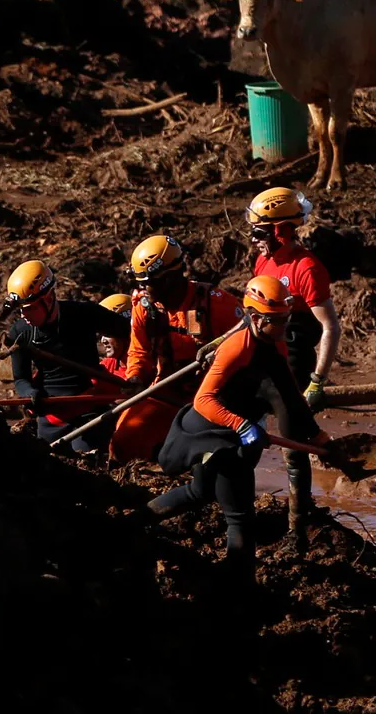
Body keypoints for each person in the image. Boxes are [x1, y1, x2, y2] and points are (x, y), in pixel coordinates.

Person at [148, 277, 326, 584]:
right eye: (278, 320)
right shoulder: (237, 346)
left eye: (287, 318)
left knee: (199, 491)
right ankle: (239, 588)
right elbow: (203, 400)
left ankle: (137, 520)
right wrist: (241, 425)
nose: (285, 326)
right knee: (240, 517)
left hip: (232, 430)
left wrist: (322, 439)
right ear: (256, 319)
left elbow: (290, 396)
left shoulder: (275, 342)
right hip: (211, 431)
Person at [245, 186, 342, 541]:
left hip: (293, 368)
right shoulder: (263, 262)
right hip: (262, 360)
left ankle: (298, 525)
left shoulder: (307, 268)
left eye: (258, 232)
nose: (253, 240)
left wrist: (317, 380)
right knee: (239, 429)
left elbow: (330, 326)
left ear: (281, 230)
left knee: (291, 444)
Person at [109, 235, 244, 463]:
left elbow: (246, 346)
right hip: (166, 390)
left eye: (149, 282)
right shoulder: (145, 308)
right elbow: (139, 352)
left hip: (213, 395)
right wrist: (135, 378)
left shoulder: (216, 304)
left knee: (208, 458)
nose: (143, 288)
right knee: (123, 440)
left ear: (170, 278)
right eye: (140, 282)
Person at [3, 262, 130, 454]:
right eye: (20, 309)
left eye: (29, 308)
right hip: (52, 419)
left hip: (91, 411)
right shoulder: (20, 332)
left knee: (87, 458)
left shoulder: (83, 314)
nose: (24, 315)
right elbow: (21, 378)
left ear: (48, 298)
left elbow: (129, 330)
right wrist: (29, 393)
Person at [98, 294, 132, 377]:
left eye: (107, 334)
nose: (103, 340)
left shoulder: (155, 364)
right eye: (101, 334)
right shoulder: (107, 366)